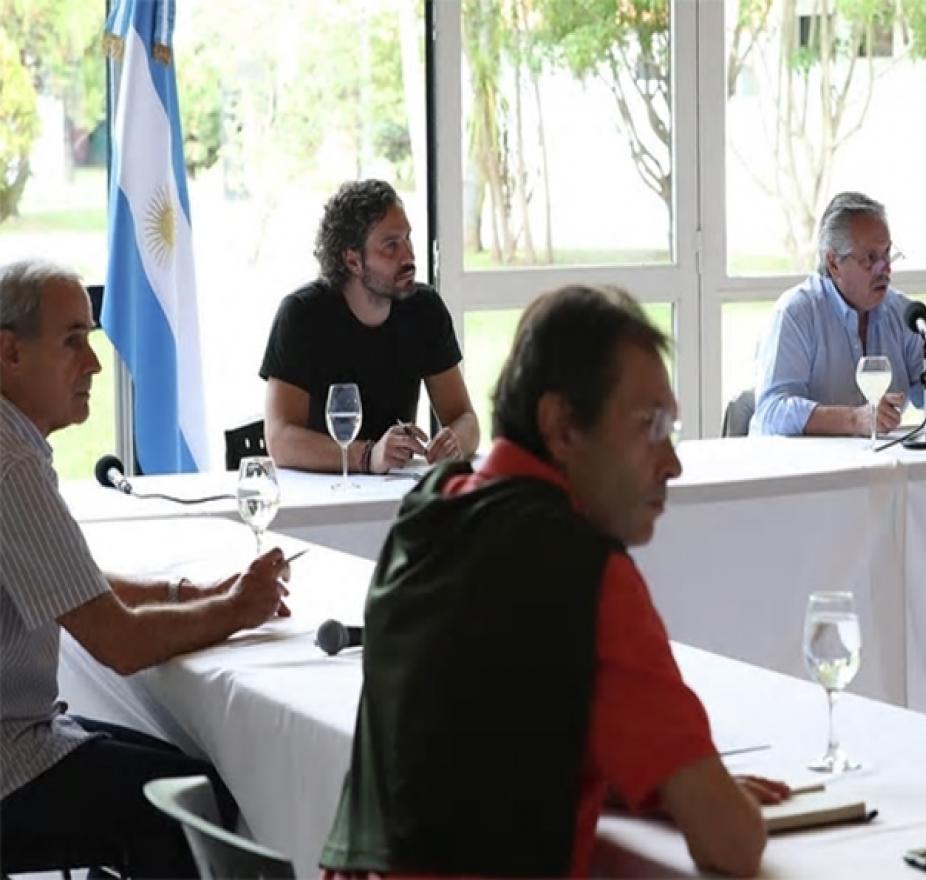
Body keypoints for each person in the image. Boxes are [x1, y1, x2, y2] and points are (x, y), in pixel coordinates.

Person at [320, 285, 787, 879]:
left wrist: (657, 780)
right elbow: (732, 843)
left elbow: (475, 752)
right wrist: (697, 789)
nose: (671, 462)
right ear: (562, 426)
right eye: (650, 426)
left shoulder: (428, 514)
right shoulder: (584, 574)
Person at [0, 260, 292, 877]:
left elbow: (72, 585)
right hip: (10, 759)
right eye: (72, 340)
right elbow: (120, 643)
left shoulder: (14, 443)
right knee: (191, 801)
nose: (96, 365)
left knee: (186, 774)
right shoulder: (11, 465)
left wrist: (187, 593)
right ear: (9, 352)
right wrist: (239, 608)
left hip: (22, 733)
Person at [261, 179, 479, 474]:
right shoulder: (302, 315)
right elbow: (280, 439)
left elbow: (465, 418)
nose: (409, 256)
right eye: (391, 246)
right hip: (318, 493)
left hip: (393, 494)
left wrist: (455, 441)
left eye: (407, 239)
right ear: (352, 261)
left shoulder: (424, 308)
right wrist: (366, 456)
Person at [751, 191, 926, 438]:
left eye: (887, 254)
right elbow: (771, 413)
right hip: (805, 470)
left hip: (879, 469)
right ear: (834, 263)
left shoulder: (903, 314)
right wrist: (855, 419)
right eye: (871, 258)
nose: (886, 269)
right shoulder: (796, 314)